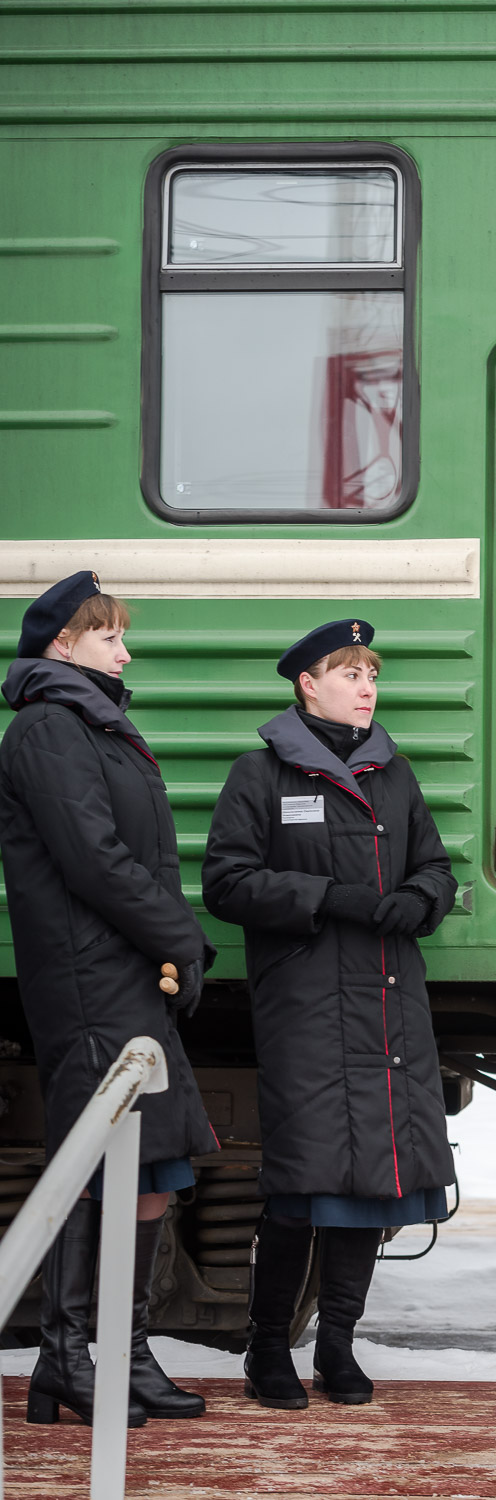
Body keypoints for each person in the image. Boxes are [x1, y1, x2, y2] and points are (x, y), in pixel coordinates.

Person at [202, 619, 456, 1409]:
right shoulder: (261, 775)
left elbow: (436, 866)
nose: (367, 687)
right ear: (308, 685)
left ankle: (337, 1347)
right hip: (308, 1008)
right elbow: (227, 883)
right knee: (300, 1186)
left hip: (387, 1006)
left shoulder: (395, 776)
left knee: (370, 1189)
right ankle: (266, 1350)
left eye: (372, 674)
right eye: (350, 674)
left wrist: (420, 899)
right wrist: (328, 898)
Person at [0, 571, 217, 1427]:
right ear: (64, 643)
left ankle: (124, 1353)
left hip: (124, 973)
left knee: (153, 1165)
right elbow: (93, 859)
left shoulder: (95, 725)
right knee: (93, 1165)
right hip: (89, 979)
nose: (125, 652)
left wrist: (169, 941)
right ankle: (64, 1356)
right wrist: (179, 936)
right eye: (110, 636)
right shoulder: (49, 729)